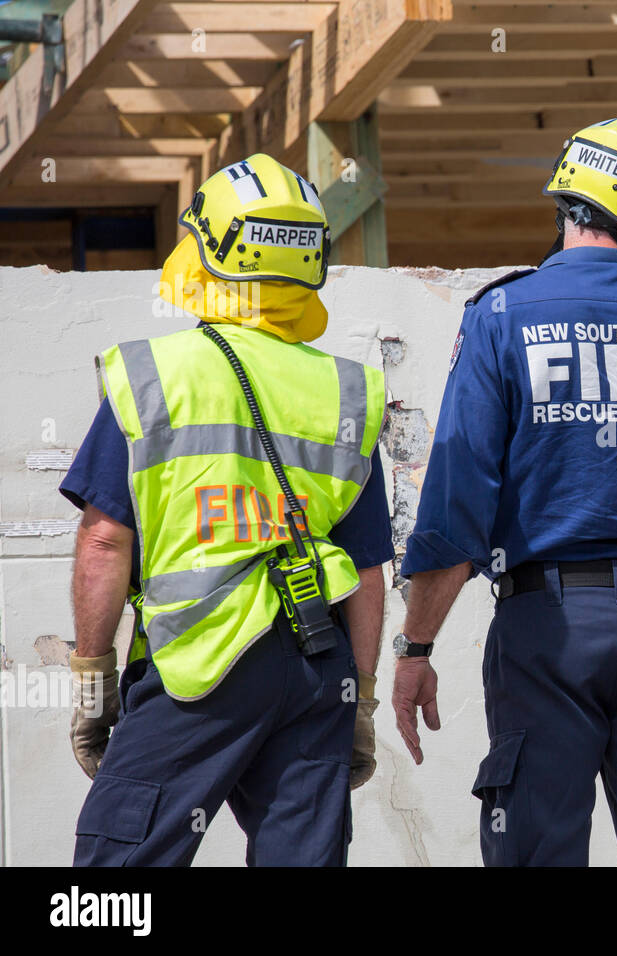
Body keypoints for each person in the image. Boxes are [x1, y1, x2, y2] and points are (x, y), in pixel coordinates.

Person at [391, 115, 617, 866]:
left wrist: (417, 644)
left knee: (537, 848)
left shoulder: (502, 316)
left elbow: (456, 509)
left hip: (548, 627)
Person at [61, 154, 393, 866]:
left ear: (211, 249)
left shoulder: (151, 374)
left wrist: (93, 681)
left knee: (113, 878)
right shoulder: (349, 392)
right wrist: (360, 700)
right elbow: (366, 572)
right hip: (316, 664)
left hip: (197, 669)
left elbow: (104, 541)